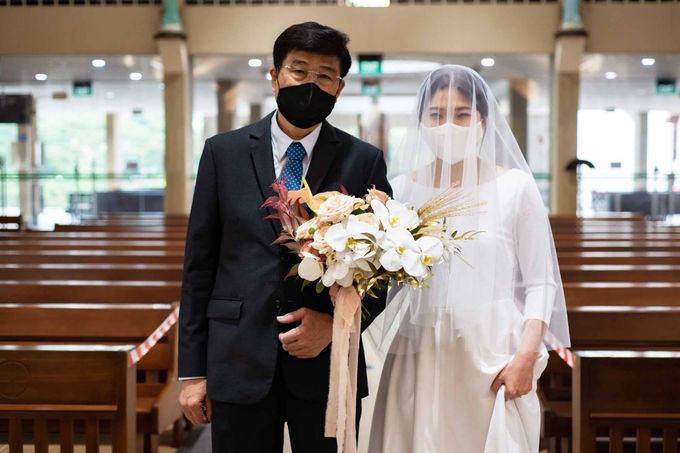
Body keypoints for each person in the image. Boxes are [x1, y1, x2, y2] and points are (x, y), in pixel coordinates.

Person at [178, 21, 391, 453]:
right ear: (274, 76)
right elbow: (199, 265)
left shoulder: (363, 160)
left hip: (326, 363)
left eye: (324, 75)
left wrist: (335, 327)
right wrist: (193, 372)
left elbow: (384, 268)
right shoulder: (223, 153)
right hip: (237, 356)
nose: (310, 84)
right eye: (299, 70)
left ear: (339, 87)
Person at [366, 65, 570, 453]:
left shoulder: (514, 188)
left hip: (493, 349)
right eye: (436, 115)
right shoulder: (404, 188)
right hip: (421, 348)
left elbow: (541, 281)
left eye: (461, 115)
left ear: (483, 121)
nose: (448, 126)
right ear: (422, 122)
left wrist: (527, 354)